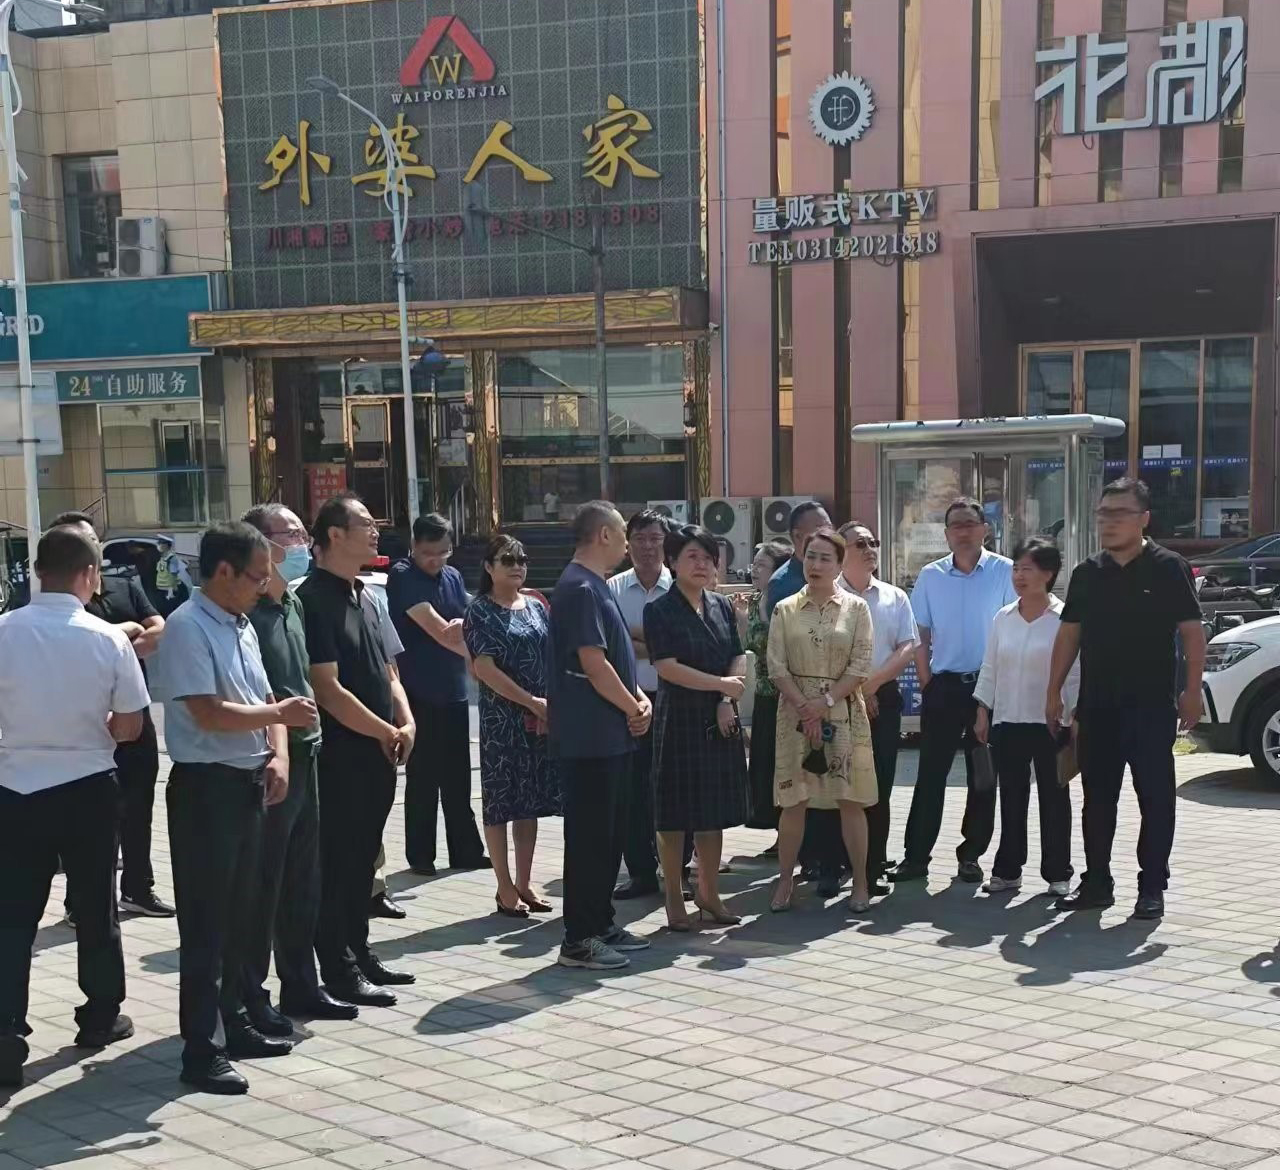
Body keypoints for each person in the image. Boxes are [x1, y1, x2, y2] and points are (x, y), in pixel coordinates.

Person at [149, 522, 317, 1094]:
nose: (263, 586)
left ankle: (236, 1022)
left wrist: (279, 754)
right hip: (207, 791)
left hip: (249, 784)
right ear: (223, 571)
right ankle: (202, 1049)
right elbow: (208, 712)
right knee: (207, 926)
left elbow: (265, 696)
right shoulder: (187, 627)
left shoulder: (240, 624)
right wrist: (278, 719)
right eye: (256, 576)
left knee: (244, 917)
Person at [0, 525, 150, 1089]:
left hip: (15, 784)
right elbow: (130, 726)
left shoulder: (3, 631)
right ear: (90, 574)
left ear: (39, 572)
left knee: (12, 915)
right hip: (88, 783)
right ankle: (100, 1015)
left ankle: (5, 1032)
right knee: (94, 906)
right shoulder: (107, 638)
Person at [1047, 478, 1205, 920]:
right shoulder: (1087, 572)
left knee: (1156, 799)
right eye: (1103, 514)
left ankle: (1151, 886)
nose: (1108, 522)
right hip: (1097, 708)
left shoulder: (1169, 567)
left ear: (1144, 519)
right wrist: (1053, 690)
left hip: (1151, 707)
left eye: (1119, 513)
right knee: (1097, 801)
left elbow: (1192, 633)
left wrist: (1192, 690)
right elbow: (1069, 634)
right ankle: (1097, 882)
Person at [240, 505, 358, 1030]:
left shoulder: (292, 603)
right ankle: (251, 997)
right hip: (270, 763)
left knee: (303, 882)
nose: (301, 543)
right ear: (261, 543)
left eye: (301, 533)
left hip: (308, 754)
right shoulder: (247, 614)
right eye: (290, 535)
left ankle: (302, 986)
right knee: (264, 885)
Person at [297, 493, 418, 1005]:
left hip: (379, 753)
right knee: (339, 864)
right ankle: (339, 967)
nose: (375, 531)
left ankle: (360, 951)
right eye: (365, 523)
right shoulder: (312, 600)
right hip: (341, 757)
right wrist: (384, 731)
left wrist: (406, 722)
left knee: (363, 860)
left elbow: (389, 671)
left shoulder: (365, 596)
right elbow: (327, 689)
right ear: (333, 535)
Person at [546, 501, 653, 970]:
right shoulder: (579, 588)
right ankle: (579, 939)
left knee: (609, 837)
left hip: (610, 736)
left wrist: (638, 700)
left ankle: (601, 923)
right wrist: (633, 705)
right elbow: (593, 664)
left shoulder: (594, 586)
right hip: (589, 738)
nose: (628, 543)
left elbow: (615, 658)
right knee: (590, 839)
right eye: (623, 533)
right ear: (604, 535)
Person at [52, 511, 173, 921]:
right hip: (88, 720)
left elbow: (161, 629)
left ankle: (138, 888)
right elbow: (72, 644)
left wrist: (115, 642)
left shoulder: (126, 585)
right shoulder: (60, 602)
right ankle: (81, 903)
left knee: (139, 808)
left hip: (135, 714)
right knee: (89, 819)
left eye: (90, 539)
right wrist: (125, 632)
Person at [893, 499, 1016, 884]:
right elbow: (920, 632)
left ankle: (971, 855)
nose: (963, 531)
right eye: (955, 526)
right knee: (931, 774)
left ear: (984, 529)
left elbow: (1011, 630)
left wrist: (994, 690)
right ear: (946, 534)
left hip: (987, 687)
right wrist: (927, 681)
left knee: (983, 777)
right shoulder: (931, 576)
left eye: (969, 524)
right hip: (943, 687)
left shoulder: (1004, 571)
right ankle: (916, 856)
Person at [644, 525, 750, 931]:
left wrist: (725, 698)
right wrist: (720, 684)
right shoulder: (659, 609)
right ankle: (674, 895)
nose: (702, 564)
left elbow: (737, 655)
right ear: (672, 562)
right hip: (679, 717)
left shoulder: (720, 605)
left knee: (712, 811)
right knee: (673, 815)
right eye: (692, 556)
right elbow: (666, 667)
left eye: (708, 557)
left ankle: (709, 892)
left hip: (718, 716)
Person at [767, 527, 878, 913]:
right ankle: (785, 881)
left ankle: (860, 883)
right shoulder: (784, 609)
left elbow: (861, 664)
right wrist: (805, 707)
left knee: (851, 800)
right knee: (793, 801)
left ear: (839, 564)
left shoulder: (857, 609)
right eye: (810, 556)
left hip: (843, 712)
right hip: (795, 714)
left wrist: (825, 702)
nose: (815, 564)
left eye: (825, 558)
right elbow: (775, 666)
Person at [973, 537, 1078, 898]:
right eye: (1016, 568)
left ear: (1048, 574)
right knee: (1011, 798)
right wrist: (982, 709)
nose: (1018, 575)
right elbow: (990, 667)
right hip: (1008, 720)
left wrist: (1071, 716)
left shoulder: (1064, 619)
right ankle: (1007, 871)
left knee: (1054, 799)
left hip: (1051, 723)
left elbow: (1075, 672)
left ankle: (1058, 873)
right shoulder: (1003, 618)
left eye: (1027, 569)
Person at [463, 534, 561, 917]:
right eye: (508, 560)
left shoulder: (535, 605)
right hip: (502, 720)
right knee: (501, 802)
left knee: (529, 803)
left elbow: (552, 656)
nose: (517, 566)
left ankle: (524, 881)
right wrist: (531, 702)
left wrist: (547, 706)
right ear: (489, 567)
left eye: (522, 560)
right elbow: (484, 669)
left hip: (539, 719)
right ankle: (504, 886)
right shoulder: (480, 611)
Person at [387, 512, 488, 875]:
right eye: (428, 553)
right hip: (418, 691)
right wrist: (481, 661)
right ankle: (421, 856)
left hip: (453, 690)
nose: (435, 560)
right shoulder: (403, 575)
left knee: (459, 777)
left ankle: (466, 851)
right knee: (423, 779)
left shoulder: (453, 576)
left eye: (443, 552)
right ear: (414, 546)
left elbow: (469, 622)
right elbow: (441, 631)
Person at [836, 521, 918, 896]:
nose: (870, 549)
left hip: (881, 698)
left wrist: (871, 685)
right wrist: (855, 689)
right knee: (838, 782)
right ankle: (834, 864)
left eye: (874, 542)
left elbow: (907, 647)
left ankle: (874, 864)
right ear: (842, 551)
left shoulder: (894, 597)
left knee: (878, 783)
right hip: (837, 697)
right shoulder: (829, 595)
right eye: (861, 543)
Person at [608, 509, 672, 901]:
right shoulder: (612, 589)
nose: (647, 547)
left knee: (672, 787)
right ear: (627, 543)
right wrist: (659, 642)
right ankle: (641, 872)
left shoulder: (678, 586)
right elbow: (611, 647)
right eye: (640, 539)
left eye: (655, 538)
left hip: (674, 698)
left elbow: (682, 644)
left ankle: (677, 869)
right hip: (628, 699)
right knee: (632, 790)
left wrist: (637, 639)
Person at [733, 540, 794, 837]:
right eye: (754, 564)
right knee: (765, 766)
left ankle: (791, 835)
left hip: (790, 697)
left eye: (762, 565)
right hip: (764, 695)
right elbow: (745, 645)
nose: (754, 570)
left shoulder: (791, 603)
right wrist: (742, 619)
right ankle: (780, 833)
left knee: (786, 767)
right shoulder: (754, 601)